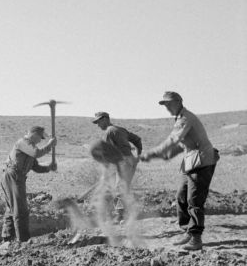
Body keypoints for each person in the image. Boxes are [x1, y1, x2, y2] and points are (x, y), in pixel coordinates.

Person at [140, 92, 219, 251]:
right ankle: (187, 231)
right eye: (165, 105)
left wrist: (152, 153)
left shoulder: (185, 118)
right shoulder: (180, 118)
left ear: (179, 102)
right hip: (191, 161)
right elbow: (181, 144)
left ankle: (196, 239)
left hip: (202, 161)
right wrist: (166, 154)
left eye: (169, 104)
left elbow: (173, 139)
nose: (167, 107)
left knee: (194, 201)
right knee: (181, 197)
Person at [1, 126, 57, 242]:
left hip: (18, 177)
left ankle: (7, 238)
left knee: (12, 208)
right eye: (40, 138)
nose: (40, 140)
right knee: (20, 209)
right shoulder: (23, 142)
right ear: (33, 134)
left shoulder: (30, 148)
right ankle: (23, 240)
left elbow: (36, 167)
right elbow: (37, 153)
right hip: (13, 176)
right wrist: (49, 145)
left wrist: (49, 168)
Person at [92, 111, 142, 224]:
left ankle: (121, 216)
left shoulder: (108, 132)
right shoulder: (121, 129)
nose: (98, 125)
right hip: (129, 161)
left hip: (122, 162)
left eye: (98, 122)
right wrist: (137, 156)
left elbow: (105, 151)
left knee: (118, 189)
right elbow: (137, 140)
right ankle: (127, 214)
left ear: (105, 119)